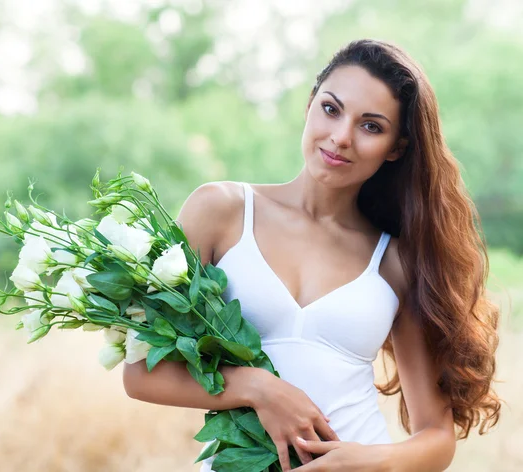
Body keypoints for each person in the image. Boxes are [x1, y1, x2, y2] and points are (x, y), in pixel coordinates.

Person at [123, 39, 501, 471]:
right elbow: (141, 374)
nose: (341, 137)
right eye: (331, 108)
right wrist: (259, 388)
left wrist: (372, 462)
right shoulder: (222, 212)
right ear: (310, 104)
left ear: (396, 147)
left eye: (371, 126)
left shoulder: (395, 260)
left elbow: (436, 437)